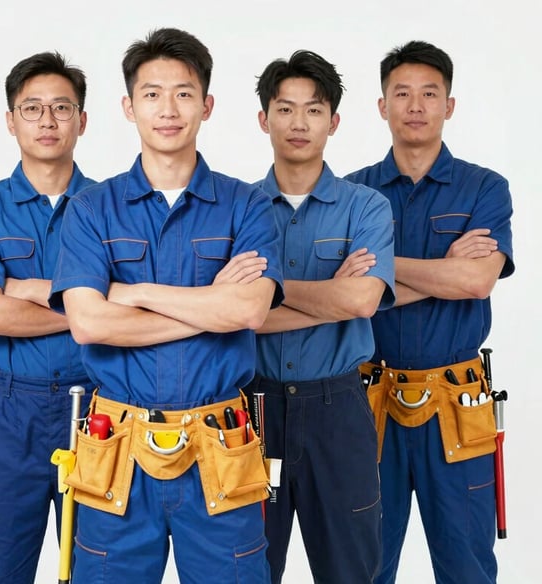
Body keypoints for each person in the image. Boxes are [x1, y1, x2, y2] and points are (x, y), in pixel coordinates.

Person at [49, 27, 284, 584]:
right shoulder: (91, 210)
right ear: (129, 107)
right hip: (117, 451)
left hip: (221, 447)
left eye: (183, 93)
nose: (168, 109)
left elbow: (249, 312)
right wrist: (209, 303)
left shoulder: (246, 205)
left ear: (206, 104)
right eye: (152, 94)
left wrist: (135, 294)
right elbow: (87, 322)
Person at [345, 40, 515, 584]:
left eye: (428, 93)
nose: (415, 105)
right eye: (402, 94)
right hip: (369, 404)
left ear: (449, 105)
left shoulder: (485, 188)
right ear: (382, 106)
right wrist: (443, 267)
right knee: (366, 565)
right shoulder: (352, 194)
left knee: (467, 566)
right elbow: (347, 291)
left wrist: (385, 270)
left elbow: (476, 280)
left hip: (458, 405)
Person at [244, 50, 396, 583]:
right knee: (251, 566)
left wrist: (267, 297)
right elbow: (236, 317)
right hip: (253, 410)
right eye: (285, 109)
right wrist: (333, 291)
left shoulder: (367, 206)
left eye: (313, 110)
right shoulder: (237, 208)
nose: (299, 123)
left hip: (339, 408)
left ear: (333, 121)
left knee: (351, 569)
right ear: (264, 119)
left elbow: (362, 302)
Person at [0, 52, 96, 583]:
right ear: (11, 120)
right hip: (8, 408)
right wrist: (89, 309)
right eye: (32, 108)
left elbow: (139, 304)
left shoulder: (112, 207)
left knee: (96, 567)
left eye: (62, 107)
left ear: (83, 119)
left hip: (99, 410)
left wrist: (29, 291)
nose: (48, 121)